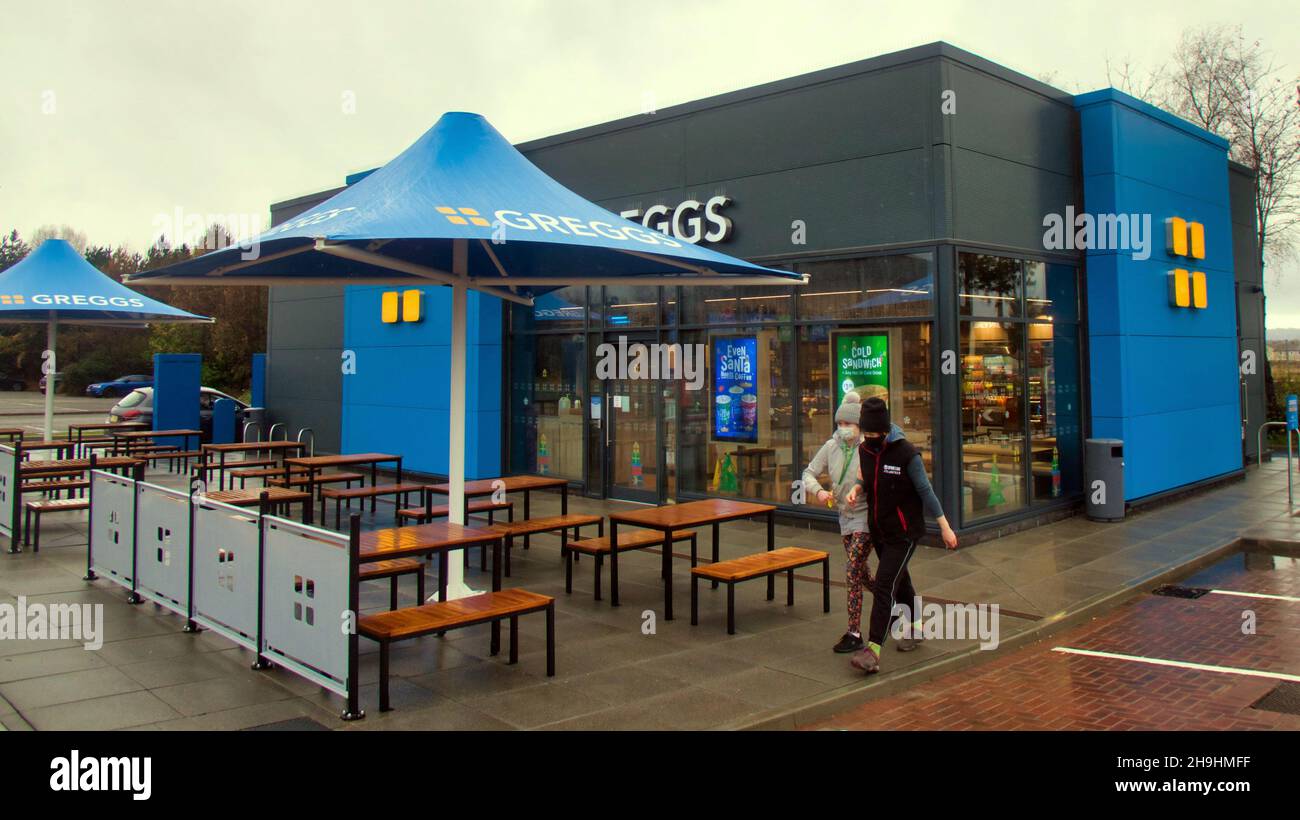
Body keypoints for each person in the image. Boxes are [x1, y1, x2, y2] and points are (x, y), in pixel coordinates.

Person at [845, 396, 958, 673]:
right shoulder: (865, 451)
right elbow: (868, 477)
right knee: (901, 579)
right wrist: (857, 488)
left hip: (905, 532)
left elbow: (925, 491)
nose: (868, 439)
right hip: (880, 530)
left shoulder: (906, 453)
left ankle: (872, 649)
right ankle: (917, 627)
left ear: (884, 431)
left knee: (885, 585)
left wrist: (944, 526)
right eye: (865, 434)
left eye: (873, 434)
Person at [801, 390, 872, 653]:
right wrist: (818, 491)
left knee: (853, 570)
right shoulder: (831, 447)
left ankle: (854, 632)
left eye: (848, 424)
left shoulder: (868, 448)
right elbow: (808, 472)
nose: (843, 429)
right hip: (844, 516)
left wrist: (862, 491)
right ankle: (896, 598)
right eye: (840, 424)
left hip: (866, 517)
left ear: (859, 425)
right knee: (862, 575)